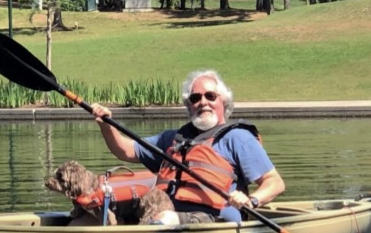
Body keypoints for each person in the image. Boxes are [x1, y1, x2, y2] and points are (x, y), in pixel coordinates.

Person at [91, 69, 285, 224]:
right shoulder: (173, 139)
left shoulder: (237, 138)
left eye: (210, 96)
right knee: (93, 216)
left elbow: (274, 182)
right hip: (166, 215)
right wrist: (106, 125)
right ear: (189, 105)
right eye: (195, 98)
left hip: (214, 220)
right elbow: (125, 150)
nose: (203, 102)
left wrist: (251, 200)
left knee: (164, 219)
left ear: (223, 102)